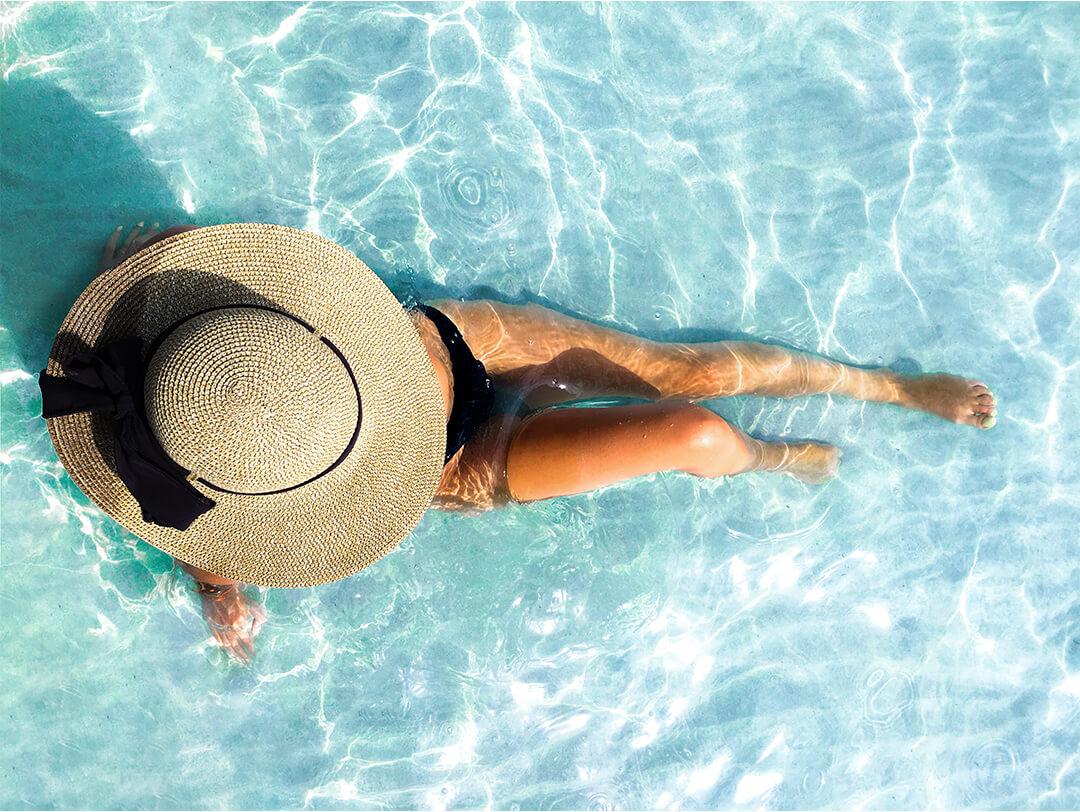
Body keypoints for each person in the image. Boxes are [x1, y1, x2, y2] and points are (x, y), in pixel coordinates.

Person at [42, 222, 996, 662]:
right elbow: (212, 527)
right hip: (450, 463)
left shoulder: (218, 355)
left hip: (442, 345)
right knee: (701, 431)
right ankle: (777, 460)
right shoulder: (193, 410)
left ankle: (886, 387)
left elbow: (211, 504)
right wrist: (224, 590)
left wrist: (227, 600)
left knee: (693, 373)